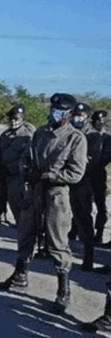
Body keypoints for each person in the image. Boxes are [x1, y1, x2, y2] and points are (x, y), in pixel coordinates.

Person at [0, 93, 87, 313]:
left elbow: (76, 173)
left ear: (67, 114)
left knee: (57, 243)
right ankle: (20, 277)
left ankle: (63, 290)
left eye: (59, 110)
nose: (53, 113)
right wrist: (27, 171)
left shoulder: (75, 138)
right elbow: (27, 157)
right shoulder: (41, 132)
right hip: (34, 192)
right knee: (26, 234)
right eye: (52, 109)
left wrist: (49, 176)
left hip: (56, 195)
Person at [0, 103, 35, 247]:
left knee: (18, 210)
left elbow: (27, 158)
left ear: (23, 118)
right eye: (11, 119)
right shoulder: (5, 134)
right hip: (1, 176)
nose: (14, 121)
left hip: (16, 177)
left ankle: (23, 242)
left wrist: (14, 168)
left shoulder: (28, 135)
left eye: (17, 119)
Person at [68, 102, 107, 272]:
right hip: (67, 180)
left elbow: (92, 160)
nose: (78, 118)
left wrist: (73, 167)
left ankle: (88, 256)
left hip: (84, 181)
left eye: (81, 115)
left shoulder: (93, 136)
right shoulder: (69, 131)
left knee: (84, 218)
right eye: (76, 114)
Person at [89, 110, 109, 244]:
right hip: (87, 173)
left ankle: (100, 232)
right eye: (96, 121)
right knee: (83, 204)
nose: (99, 124)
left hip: (99, 172)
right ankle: (76, 230)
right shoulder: (88, 135)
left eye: (101, 121)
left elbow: (107, 156)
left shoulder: (108, 138)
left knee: (100, 205)